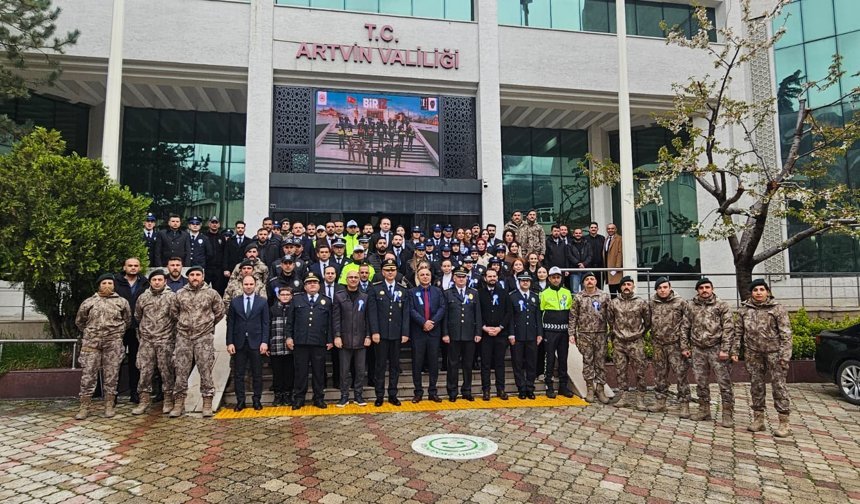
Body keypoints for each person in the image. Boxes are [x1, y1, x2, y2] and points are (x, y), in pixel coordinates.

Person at [736, 279, 792, 437]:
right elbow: (738, 332)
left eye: (761, 289)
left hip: (774, 353)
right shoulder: (744, 310)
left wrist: (785, 355)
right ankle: (758, 419)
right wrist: (734, 351)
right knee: (756, 386)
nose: (758, 292)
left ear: (767, 291)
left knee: (779, 387)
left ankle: (784, 423)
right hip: (753, 353)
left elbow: (786, 334)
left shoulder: (777, 309)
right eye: (755, 290)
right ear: (751, 293)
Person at [169, 266, 225, 418]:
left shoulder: (211, 294)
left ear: (203, 276)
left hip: (204, 338)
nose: (195, 277)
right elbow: (174, 313)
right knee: (181, 370)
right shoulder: (179, 294)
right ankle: (179, 403)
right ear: (188, 277)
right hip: (184, 337)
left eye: (198, 275)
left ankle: (207, 402)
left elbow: (219, 312)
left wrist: (207, 326)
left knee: (205, 370)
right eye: (192, 275)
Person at [74, 274, 131, 419]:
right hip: (92, 343)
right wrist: (92, 332)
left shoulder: (121, 302)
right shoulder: (89, 302)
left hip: (113, 343)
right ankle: (84, 406)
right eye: (104, 283)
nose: (107, 286)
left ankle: (109, 405)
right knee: (88, 376)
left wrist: (116, 333)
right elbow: (80, 321)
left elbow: (127, 321)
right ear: (99, 285)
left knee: (111, 376)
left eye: (110, 283)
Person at [683, 277, 736, 427]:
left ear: (712, 288)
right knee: (700, 381)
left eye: (707, 287)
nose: (704, 290)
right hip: (697, 349)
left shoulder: (721, 305)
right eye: (701, 288)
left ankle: (727, 413)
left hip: (717, 349)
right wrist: (685, 347)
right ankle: (704, 409)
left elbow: (728, 329)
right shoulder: (691, 306)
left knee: (724, 382)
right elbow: (685, 327)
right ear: (697, 290)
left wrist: (725, 349)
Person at [132, 269, 177, 416]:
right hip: (147, 341)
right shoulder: (143, 297)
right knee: (145, 372)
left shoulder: (172, 297)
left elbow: (176, 317)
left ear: (165, 281)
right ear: (150, 282)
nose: (157, 282)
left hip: (165, 340)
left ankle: (168, 399)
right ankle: (144, 400)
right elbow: (138, 316)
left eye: (160, 280)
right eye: (154, 280)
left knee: (166, 372)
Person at [287, 273, 334, 410]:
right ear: (305, 286)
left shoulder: (327, 300)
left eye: (315, 282)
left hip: (319, 342)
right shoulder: (296, 300)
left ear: (319, 285)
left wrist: (330, 339)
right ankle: (299, 398)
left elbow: (330, 323)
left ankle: (318, 398)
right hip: (300, 342)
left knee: (319, 372)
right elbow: (290, 321)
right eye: (309, 283)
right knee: (300, 372)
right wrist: (289, 337)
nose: (312, 284)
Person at [647, 277, 692, 418]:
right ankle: (660, 401)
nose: (663, 290)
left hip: (675, 345)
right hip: (658, 345)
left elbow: (688, 323)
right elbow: (648, 321)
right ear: (656, 290)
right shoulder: (652, 303)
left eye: (665, 287)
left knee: (681, 375)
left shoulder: (680, 302)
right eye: (660, 288)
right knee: (660, 375)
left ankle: (684, 404)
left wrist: (685, 344)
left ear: (670, 287)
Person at [368, 259, 410, 407]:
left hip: (397, 334)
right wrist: (374, 331)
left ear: (396, 272)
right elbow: (372, 313)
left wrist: (405, 332)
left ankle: (393, 394)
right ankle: (379, 395)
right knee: (380, 366)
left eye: (393, 269)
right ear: (383, 272)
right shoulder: (375, 288)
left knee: (394, 366)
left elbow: (406, 313)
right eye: (387, 270)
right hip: (381, 334)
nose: (390, 272)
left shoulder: (402, 289)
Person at [606, 276, 650, 410]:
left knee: (640, 371)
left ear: (633, 286)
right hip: (619, 342)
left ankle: (640, 397)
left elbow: (647, 321)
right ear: (620, 287)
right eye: (624, 284)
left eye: (629, 284)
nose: (626, 287)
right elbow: (610, 320)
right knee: (620, 370)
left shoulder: (641, 302)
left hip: (636, 341)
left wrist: (640, 333)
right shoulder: (614, 303)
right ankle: (623, 395)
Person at [227, 276, 270, 411]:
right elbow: (231, 324)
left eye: (251, 284)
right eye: (246, 284)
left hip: (256, 343)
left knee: (257, 373)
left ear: (255, 285)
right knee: (239, 374)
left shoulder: (262, 302)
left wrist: (264, 341)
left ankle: (257, 400)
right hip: (239, 343)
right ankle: (241, 401)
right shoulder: (235, 302)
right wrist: (229, 342)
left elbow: (265, 323)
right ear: (242, 285)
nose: (249, 286)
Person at [569, 272, 611, 403]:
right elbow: (573, 316)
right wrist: (571, 333)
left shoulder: (604, 296)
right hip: (584, 334)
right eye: (587, 279)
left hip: (600, 333)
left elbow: (610, 315)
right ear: (583, 282)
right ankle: (590, 389)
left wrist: (612, 332)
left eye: (592, 279)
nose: (590, 281)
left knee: (600, 362)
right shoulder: (578, 297)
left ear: (596, 281)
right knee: (587, 362)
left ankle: (600, 389)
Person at [332, 269, 372, 407]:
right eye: (351, 277)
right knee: (344, 370)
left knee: (360, 370)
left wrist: (368, 335)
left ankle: (358, 396)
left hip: (361, 339)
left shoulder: (365, 297)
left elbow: (368, 318)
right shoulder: (339, 296)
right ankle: (344, 396)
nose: (354, 279)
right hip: (344, 339)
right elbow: (336, 318)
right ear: (346, 279)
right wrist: (337, 336)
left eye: (356, 277)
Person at [442, 266, 482, 402]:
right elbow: (445, 316)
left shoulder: (474, 293)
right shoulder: (448, 293)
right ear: (454, 278)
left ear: (467, 278)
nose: (461, 279)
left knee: (468, 364)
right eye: (458, 276)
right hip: (453, 335)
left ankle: (467, 390)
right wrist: (445, 333)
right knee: (452, 364)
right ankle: (452, 391)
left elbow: (477, 315)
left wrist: (478, 332)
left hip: (469, 334)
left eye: (463, 276)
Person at [113, 257, 149, 404]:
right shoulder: (115, 282)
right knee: (115, 362)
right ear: (124, 267)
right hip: (119, 329)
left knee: (136, 362)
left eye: (136, 266)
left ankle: (135, 393)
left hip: (137, 328)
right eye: (130, 265)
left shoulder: (145, 283)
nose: (133, 268)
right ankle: (112, 395)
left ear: (139, 268)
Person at [408, 264, 445, 403]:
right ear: (418, 277)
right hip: (418, 331)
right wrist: (423, 322)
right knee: (417, 363)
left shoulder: (438, 291)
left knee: (433, 363)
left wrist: (432, 322)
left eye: (427, 274)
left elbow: (442, 308)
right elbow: (411, 310)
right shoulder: (411, 292)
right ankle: (418, 392)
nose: (425, 276)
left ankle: (432, 391)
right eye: (422, 274)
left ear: (431, 277)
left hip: (434, 332)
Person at [539, 267, 575, 399]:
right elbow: (541, 312)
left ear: (561, 278)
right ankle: (549, 386)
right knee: (549, 358)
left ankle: (563, 387)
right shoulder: (544, 293)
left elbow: (571, 313)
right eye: (553, 277)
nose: (555, 279)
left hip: (564, 331)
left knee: (563, 359)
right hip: (549, 330)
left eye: (558, 277)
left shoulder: (567, 292)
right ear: (549, 279)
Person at [478, 268, 512, 401]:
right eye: (489, 276)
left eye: (494, 276)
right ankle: (486, 390)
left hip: (500, 334)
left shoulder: (504, 293)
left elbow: (508, 312)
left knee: (500, 363)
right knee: (485, 363)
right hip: (485, 334)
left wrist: (500, 327)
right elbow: (477, 312)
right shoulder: (479, 293)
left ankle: (500, 389)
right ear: (485, 278)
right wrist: (484, 328)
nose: (492, 278)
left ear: (497, 278)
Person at [509, 273, 542, 399]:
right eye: (523, 281)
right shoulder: (512, 296)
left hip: (532, 335)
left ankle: (530, 387)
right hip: (517, 335)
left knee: (531, 363)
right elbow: (511, 317)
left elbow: (538, 316)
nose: (525, 283)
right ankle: (521, 388)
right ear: (519, 282)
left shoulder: (535, 296)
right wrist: (511, 334)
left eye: (527, 281)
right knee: (517, 363)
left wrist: (539, 333)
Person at [269, 287, 295, 406]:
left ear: (291, 296)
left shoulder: (294, 309)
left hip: (290, 347)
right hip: (276, 345)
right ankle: (278, 395)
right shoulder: (272, 309)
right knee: (277, 372)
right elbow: (267, 327)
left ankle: (288, 394)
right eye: (282, 294)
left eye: (287, 294)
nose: (285, 296)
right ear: (278, 296)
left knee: (289, 372)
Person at [205, 216, 228, 295]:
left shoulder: (222, 237)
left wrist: (224, 268)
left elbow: (225, 253)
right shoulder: (204, 237)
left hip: (218, 269)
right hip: (207, 268)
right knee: (204, 290)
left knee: (218, 291)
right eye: (212, 222)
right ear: (209, 224)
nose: (214, 224)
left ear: (219, 224)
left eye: (216, 223)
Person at [568, 228, 592, 293]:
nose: (578, 234)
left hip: (585, 270)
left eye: (579, 233)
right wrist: (578, 263)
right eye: (576, 233)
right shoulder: (570, 244)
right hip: (574, 270)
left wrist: (584, 264)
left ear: (582, 234)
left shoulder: (587, 243)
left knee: (586, 290)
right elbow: (569, 256)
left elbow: (590, 255)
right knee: (574, 290)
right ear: (573, 234)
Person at [584, 223, 606, 288]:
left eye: (595, 227)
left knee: (600, 286)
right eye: (592, 227)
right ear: (589, 229)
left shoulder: (602, 238)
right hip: (588, 266)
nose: (593, 229)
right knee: (589, 285)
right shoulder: (585, 239)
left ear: (597, 229)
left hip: (600, 266)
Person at [604, 223, 623, 295]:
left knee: (619, 290)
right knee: (612, 291)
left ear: (615, 229)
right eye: (608, 229)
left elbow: (619, 252)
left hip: (616, 269)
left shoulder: (619, 238)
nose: (610, 230)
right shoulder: (606, 239)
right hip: (608, 269)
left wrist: (617, 267)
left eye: (612, 228)